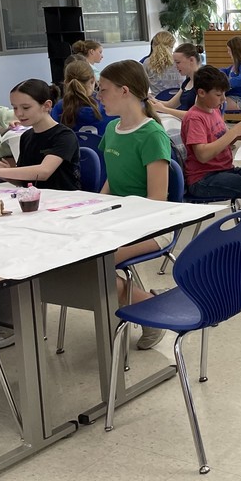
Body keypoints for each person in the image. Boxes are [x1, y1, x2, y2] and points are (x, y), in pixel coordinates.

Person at [97, 60, 171, 350]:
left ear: (124, 91)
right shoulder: (113, 129)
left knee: (99, 266)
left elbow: (157, 201)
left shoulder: (152, 135)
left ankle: (151, 311)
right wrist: (97, 209)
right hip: (120, 221)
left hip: (153, 225)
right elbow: (111, 182)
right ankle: (140, 303)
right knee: (79, 260)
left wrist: (120, 221)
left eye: (103, 91)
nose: (99, 97)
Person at [181, 65, 241, 220]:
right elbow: (202, 155)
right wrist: (232, 133)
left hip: (223, 170)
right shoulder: (195, 118)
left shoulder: (214, 109)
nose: (223, 99)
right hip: (203, 179)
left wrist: (235, 137)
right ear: (201, 93)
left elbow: (218, 142)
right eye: (218, 94)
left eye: (224, 93)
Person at [0, 79, 80, 191]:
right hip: (40, 200)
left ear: (46, 106)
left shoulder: (64, 136)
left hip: (64, 201)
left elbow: (44, 172)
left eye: (26, 108)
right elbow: (26, 182)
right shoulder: (27, 136)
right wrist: (7, 175)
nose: (19, 113)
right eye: (14, 107)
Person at [52, 60, 114, 138]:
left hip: (71, 150)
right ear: (93, 80)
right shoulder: (108, 105)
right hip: (103, 150)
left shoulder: (60, 107)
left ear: (66, 82)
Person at [151, 43, 202, 120]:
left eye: (178, 62)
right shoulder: (187, 82)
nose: (175, 66)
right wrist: (152, 100)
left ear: (191, 60)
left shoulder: (203, 82)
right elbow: (170, 104)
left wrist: (163, 109)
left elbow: (196, 115)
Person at [143, 31, 182, 97]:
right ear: (172, 46)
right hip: (180, 101)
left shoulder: (147, 63)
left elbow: (143, 88)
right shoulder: (179, 60)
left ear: (153, 46)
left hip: (158, 102)